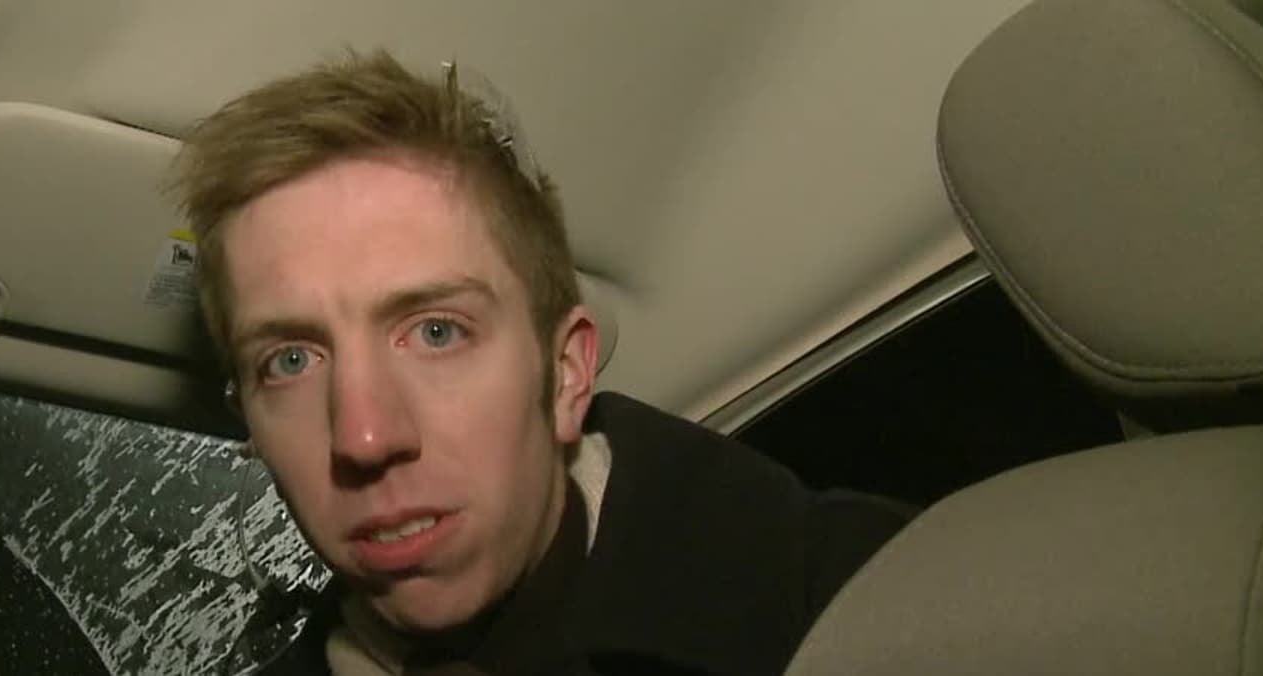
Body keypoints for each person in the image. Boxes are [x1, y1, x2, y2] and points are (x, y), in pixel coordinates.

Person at [171, 50, 914, 675]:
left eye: (436, 332)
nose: (364, 437)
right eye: (291, 360)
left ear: (565, 375)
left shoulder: (896, 608)